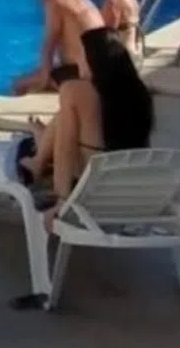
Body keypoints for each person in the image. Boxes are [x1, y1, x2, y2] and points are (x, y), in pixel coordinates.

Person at [19, 25, 154, 213]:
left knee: (56, 125)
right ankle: (40, 142)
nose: (77, 61)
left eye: (81, 56)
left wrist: (61, 201)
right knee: (67, 115)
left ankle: (38, 156)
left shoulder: (75, 89)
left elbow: (65, 149)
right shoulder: (138, 91)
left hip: (95, 181)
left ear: (92, 61)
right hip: (130, 180)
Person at [11, 0, 106, 95]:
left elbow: (49, 45)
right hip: (104, 68)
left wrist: (43, 79)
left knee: (19, 83)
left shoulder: (56, 2)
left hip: (85, 75)